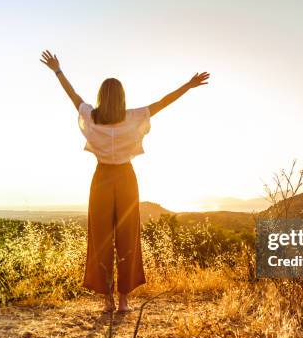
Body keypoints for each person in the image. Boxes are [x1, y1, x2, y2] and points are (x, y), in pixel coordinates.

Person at [40, 50, 209, 312]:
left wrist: (58, 70)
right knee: (128, 237)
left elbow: (72, 95)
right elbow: (165, 102)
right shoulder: (133, 117)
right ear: (122, 97)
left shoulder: (91, 116)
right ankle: (123, 301)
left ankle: (107, 300)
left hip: (101, 178)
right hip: (127, 179)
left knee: (102, 238)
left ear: (100, 97)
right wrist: (188, 85)